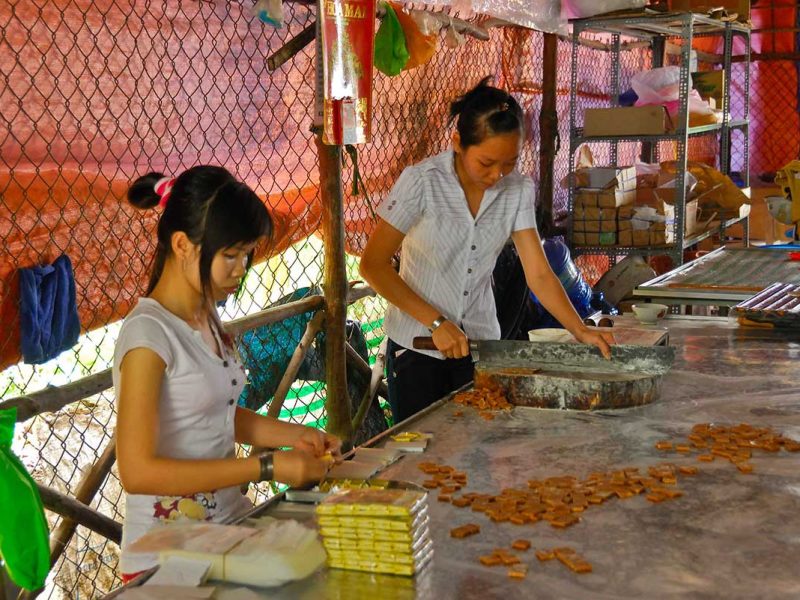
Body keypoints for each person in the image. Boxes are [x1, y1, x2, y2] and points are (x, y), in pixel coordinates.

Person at [114, 166, 342, 581]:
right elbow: (136, 471)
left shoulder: (206, 316)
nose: (242, 269)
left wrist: (296, 436)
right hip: (168, 554)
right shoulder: (148, 334)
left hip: (224, 531)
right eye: (230, 255)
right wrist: (268, 468)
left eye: (247, 255)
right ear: (182, 244)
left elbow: (216, 413)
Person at [359, 78, 614, 423]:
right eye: (486, 162)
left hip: (481, 345)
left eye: (509, 163)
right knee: (422, 455)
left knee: (478, 451)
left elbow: (538, 273)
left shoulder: (518, 190)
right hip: (416, 346)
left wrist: (579, 329)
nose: (497, 175)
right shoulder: (422, 182)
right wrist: (435, 322)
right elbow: (372, 266)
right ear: (458, 143)